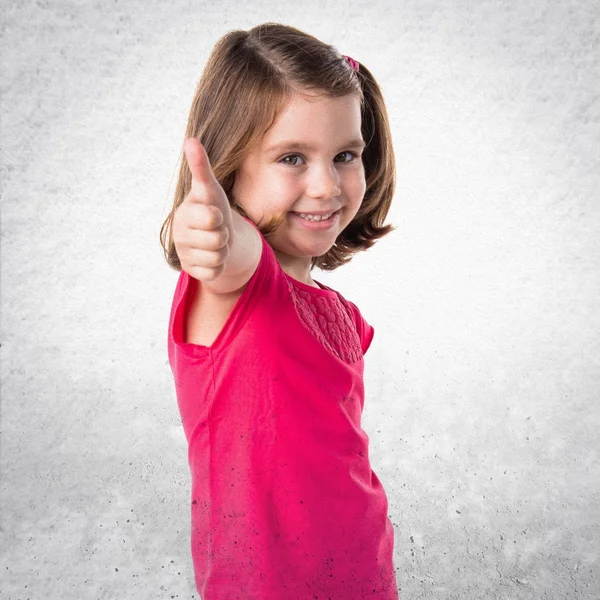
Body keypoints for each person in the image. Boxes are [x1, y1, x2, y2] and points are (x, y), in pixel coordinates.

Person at [160, 22, 399, 600]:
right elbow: (229, 259)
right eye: (292, 157)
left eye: (345, 154)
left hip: (364, 574)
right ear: (226, 169)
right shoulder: (236, 288)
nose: (326, 186)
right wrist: (207, 233)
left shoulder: (335, 309)